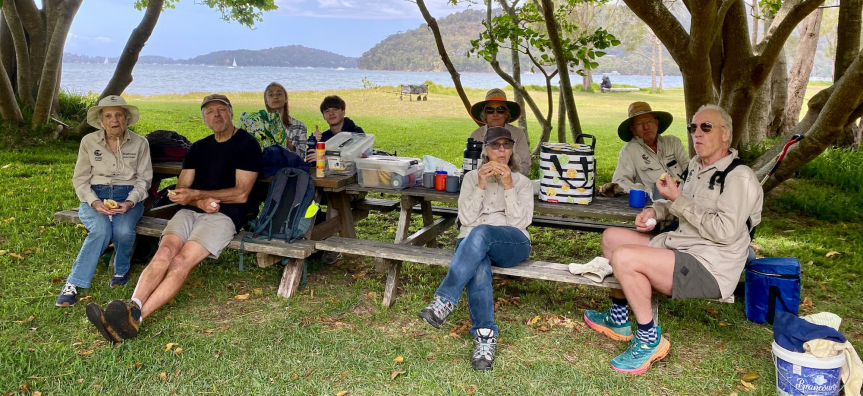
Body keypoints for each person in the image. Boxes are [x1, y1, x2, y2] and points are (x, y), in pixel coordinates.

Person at [583, 105, 763, 374]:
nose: (697, 134)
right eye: (693, 128)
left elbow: (724, 231)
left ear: (725, 134)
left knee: (625, 257)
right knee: (612, 238)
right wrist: (654, 210)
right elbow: (678, 204)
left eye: (706, 127)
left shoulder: (738, 177)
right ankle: (619, 317)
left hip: (710, 265)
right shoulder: (695, 166)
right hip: (679, 244)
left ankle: (648, 339)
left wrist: (678, 200)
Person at [85, 94, 262, 343]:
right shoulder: (198, 148)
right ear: (204, 118)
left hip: (224, 215)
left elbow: (241, 193)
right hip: (190, 211)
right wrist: (195, 200)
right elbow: (181, 192)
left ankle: (135, 318)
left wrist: (198, 194)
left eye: (221, 110)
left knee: (180, 262)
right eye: (210, 111)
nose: (217, 115)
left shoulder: (247, 145)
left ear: (231, 113)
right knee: (164, 253)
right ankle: (132, 306)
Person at [418, 127, 534, 371]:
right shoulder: (471, 178)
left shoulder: (522, 182)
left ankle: (444, 301)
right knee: (478, 265)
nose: (501, 150)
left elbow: (520, 223)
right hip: (473, 242)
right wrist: (481, 185)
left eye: (506, 145)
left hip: (511, 242)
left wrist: (509, 185)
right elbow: (466, 218)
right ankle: (484, 338)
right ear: (486, 150)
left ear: (512, 150)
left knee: (480, 232)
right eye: (495, 145)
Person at [57, 96, 153, 307]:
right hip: (95, 195)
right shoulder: (88, 142)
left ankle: (120, 270)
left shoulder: (140, 143)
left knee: (123, 231)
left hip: (128, 196)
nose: (114, 120)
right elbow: (80, 180)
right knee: (100, 230)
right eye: (108, 116)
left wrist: (129, 202)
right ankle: (73, 283)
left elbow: (144, 180)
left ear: (126, 119)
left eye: (119, 114)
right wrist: (94, 202)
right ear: (101, 121)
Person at [603, 101, 689, 198]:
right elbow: (619, 181)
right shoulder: (630, 150)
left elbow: (690, 169)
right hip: (658, 203)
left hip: (686, 198)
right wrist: (649, 192)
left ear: (657, 123)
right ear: (633, 129)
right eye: (639, 124)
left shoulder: (673, 142)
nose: (646, 127)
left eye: (649, 121)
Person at [469, 88, 531, 176]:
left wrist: (507, 177)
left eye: (500, 110)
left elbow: (524, 165)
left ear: (507, 113)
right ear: (484, 114)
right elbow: (469, 165)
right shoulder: (475, 135)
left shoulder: (518, 134)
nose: (495, 114)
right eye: (490, 110)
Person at [305, 95, 365, 164]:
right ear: (324, 116)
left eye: (335, 109)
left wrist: (323, 157)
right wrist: (314, 143)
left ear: (343, 112)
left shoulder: (356, 133)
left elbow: (356, 158)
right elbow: (311, 161)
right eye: (327, 111)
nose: (331, 113)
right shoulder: (324, 137)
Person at [254, 82, 308, 157]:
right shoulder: (258, 125)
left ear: (286, 99)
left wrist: (288, 144)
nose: (275, 97)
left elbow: (302, 157)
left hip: (290, 168)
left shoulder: (299, 126)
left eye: (279, 94)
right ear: (266, 101)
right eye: (271, 95)